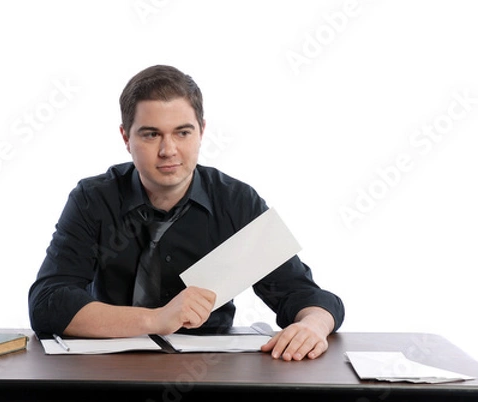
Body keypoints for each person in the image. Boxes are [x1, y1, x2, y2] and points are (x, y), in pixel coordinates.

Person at [28, 65, 344, 361]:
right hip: (108, 371)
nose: (168, 150)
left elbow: (302, 294)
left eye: (182, 132)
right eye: (151, 134)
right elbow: (47, 303)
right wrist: (156, 319)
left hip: (207, 374)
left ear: (201, 131)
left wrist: (314, 325)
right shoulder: (93, 198)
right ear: (126, 138)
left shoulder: (236, 201)